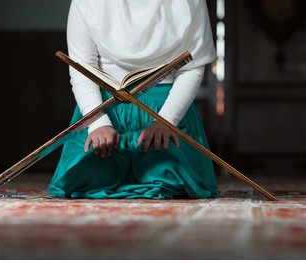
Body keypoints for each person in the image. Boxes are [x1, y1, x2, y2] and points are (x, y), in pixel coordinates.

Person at [48, 0, 218, 199]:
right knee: (85, 173)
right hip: (103, 107)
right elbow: (81, 69)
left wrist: (166, 121)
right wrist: (98, 123)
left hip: (164, 108)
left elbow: (192, 66)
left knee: (169, 175)